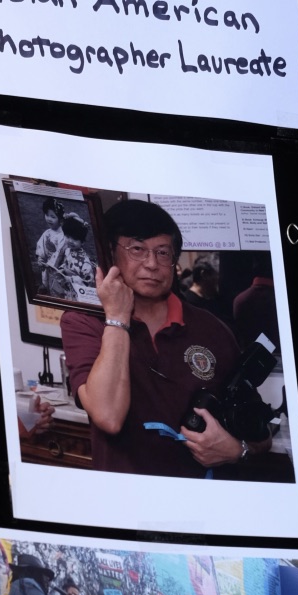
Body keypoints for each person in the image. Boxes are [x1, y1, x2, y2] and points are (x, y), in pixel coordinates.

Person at [60, 198, 271, 479]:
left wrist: (238, 449)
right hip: (124, 502)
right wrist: (118, 318)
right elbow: (108, 416)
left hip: (202, 502)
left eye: (163, 253)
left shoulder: (212, 329)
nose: (151, 264)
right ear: (110, 253)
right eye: (137, 249)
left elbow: (261, 432)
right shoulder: (83, 322)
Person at [49, 213, 96, 298]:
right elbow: (66, 263)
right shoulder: (68, 250)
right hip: (68, 288)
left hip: (79, 293)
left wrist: (71, 279)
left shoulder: (85, 263)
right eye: (67, 236)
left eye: (74, 239)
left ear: (82, 242)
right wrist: (61, 270)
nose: (70, 241)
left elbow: (89, 282)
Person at [180, 259, 232, 325]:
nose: (218, 279)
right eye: (216, 275)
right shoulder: (186, 302)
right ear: (204, 274)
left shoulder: (214, 298)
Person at [35, 197, 65, 294]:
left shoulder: (63, 236)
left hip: (59, 267)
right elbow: (41, 247)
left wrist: (51, 264)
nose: (49, 219)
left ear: (60, 218)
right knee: (46, 282)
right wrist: (41, 258)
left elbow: (60, 253)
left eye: (53, 217)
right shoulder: (47, 233)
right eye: (47, 215)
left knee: (58, 287)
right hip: (47, 265)